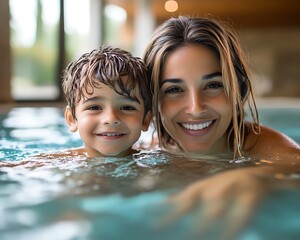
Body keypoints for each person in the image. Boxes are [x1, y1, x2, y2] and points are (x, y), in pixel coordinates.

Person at [143, 16, 300, 238]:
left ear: (239, 89)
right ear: (152, 100)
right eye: (174, 90)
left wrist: (261, 174)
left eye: (214, 85)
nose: (196, 108)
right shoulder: (149, 149)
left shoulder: (264, 148)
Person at [62, 45, 153, 157]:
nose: (111, 119)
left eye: (127, 108)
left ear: (146, 120)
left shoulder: (160, 163)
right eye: (94, 107)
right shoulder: (49, 164)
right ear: (72, 119)